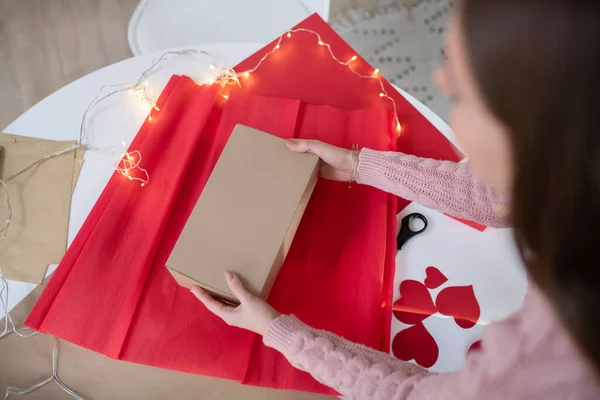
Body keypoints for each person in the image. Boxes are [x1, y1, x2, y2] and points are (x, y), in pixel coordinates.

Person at [191, 0, 600, 398]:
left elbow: (411, 394)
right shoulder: (578, 160)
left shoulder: (550, 361)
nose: (438, 79)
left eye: (460, 94)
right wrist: (359, 165)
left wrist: (279, 331)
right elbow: (495, 197)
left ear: (531, 138)